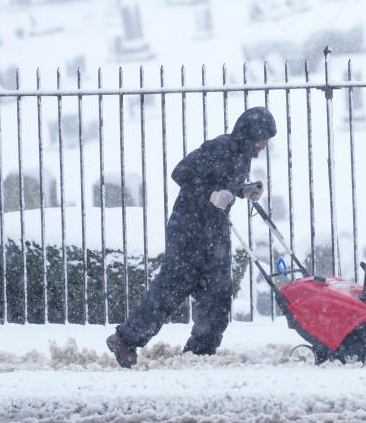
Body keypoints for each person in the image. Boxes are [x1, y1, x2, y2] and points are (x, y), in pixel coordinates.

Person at [106, 106, 277, 368]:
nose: (262, 147)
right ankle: (124, 339)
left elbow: (224, 186)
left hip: (215, 230)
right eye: (261, 140)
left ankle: (200, 353)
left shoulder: (243, 157)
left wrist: (243, 191)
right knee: (170, 289)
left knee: (218, 293)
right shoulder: (217, 149)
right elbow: (181, 173)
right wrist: (210, 194)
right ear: (250, 134)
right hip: (188, 228)